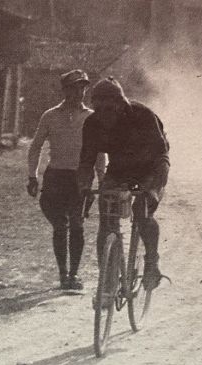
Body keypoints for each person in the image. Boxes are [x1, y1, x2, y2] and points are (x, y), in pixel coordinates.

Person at [77, 77, 169, 290]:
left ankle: (152, 262)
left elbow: (161, 157)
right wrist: (83, 188)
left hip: (151, 168)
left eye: (111, 110)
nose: (105, 116)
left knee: (142, 211)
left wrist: (153, 190)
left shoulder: (143, 116)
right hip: (119, 170)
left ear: (121, 104)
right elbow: (86, 162)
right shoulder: (92, 124)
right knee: (106, 219)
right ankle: (107, 281)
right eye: (100, 111)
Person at [27, 69, 105, 290]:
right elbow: (35, 148)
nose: (78, 92)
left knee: (77, 225)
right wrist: (32, 176)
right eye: (73, 88)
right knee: (60, 226)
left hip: (81, 177)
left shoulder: (92, 117)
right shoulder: (50, 116)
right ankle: (63, 274)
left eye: (82, 87)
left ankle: (74, 274)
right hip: (56, 176)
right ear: (64, 90)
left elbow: (99, 152)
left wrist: (102, 178)